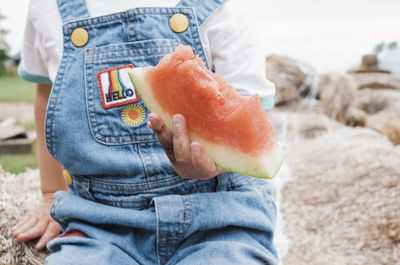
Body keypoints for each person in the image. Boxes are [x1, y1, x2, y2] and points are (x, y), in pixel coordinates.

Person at [12, 0, 279, 263]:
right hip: (100, 224)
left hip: (219, 219)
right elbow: (47, 96)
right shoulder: (46, 7)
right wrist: (50, 194)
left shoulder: (223, 7)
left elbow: (247, 121)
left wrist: (215, 165)